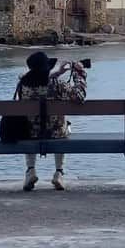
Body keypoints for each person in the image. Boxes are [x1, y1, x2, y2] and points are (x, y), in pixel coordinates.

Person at [17, 50, 87, 192]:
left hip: (30, 132)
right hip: (56, 133)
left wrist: (58, 72)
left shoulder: (22, 85)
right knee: (64, 127)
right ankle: (59, 173)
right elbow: (79, 96)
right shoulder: (58, 85)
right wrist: (79, 74)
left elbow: (37, 80)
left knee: (30, 129)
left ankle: (31, 171)